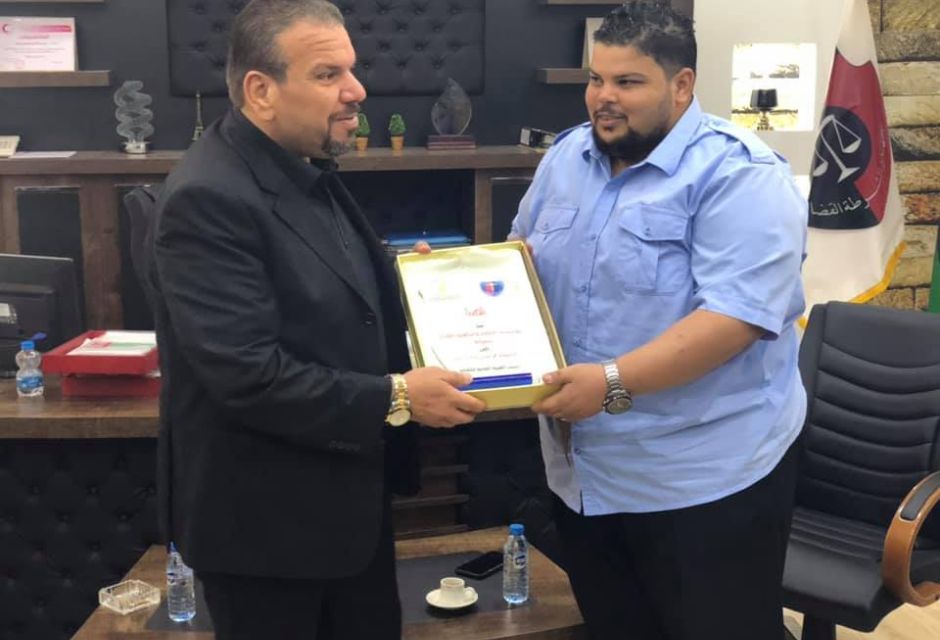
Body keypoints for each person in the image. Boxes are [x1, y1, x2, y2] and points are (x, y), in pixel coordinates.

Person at [148, 1, 485, 638]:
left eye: (351, 70)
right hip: (267, 535)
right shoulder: (208, 198)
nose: (356, 90)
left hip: (341, 513)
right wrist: (398, 397)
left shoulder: (298, 164)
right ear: (261, 90)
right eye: (328, 75)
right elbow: (248, 375)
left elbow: (325, 287)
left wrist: (415, 283)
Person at [512, 3, 807, 639]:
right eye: (596, 79)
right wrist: (455, 282)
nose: (604, 98)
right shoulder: (565, 158)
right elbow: (522, 264)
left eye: (628, 82)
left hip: (703, 478)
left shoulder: (740, 175)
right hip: (584, 473)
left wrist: (611, 382)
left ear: (681, 85)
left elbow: (735, 319)